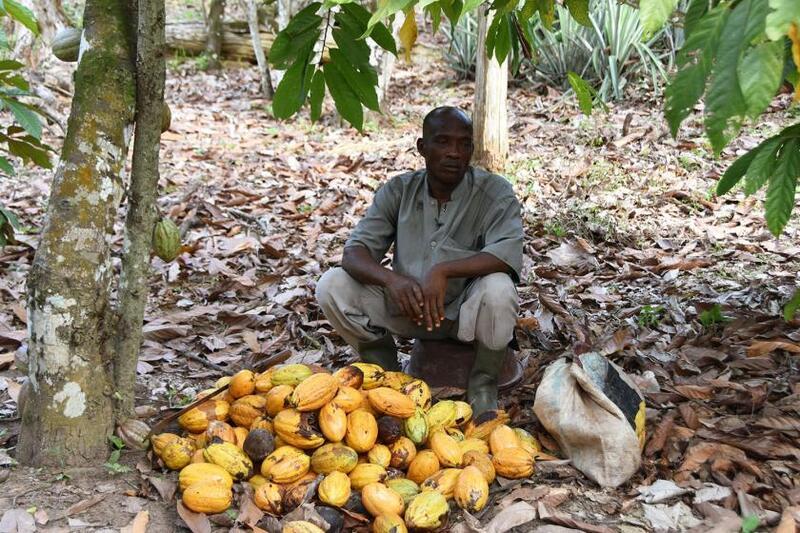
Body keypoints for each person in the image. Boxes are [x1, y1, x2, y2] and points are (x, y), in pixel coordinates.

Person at [315, 106, 523, 415]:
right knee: (332, 285)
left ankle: (482, 385)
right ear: (422, 148)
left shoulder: (494, 192)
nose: (454, 153)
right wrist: (392, 280)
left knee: (499, 288)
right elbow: (354, 253)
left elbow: (506, 255)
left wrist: (444, 270)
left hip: (464, 313)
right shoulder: (399, 191)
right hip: (408, 307)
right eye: (442, 142)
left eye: (463, 143)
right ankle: (385, 372)